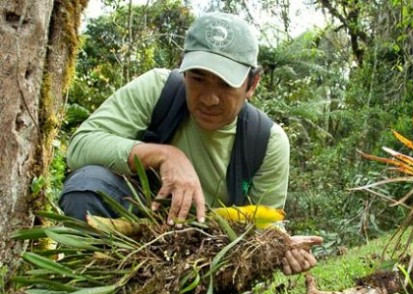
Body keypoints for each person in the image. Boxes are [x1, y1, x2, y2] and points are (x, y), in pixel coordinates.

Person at [59, 12, 321, 275]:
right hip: (133, 231)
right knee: (87, 185)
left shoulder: (267, 142)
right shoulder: (158, 89)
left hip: (206, 259)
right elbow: (80, 146)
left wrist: (285, 247)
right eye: (197, 79)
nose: (209, 99)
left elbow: (266, 222)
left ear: (252, 84)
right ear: (183, 70)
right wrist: (164, 155)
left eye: (225, 84)